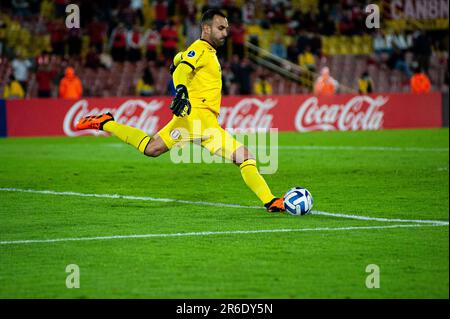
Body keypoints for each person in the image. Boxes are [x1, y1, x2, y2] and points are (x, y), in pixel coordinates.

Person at [75, 9, 285, 213]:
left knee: (151, 148)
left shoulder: (204, 52)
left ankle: (105, 122)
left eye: (226, 28)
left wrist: (177, 60)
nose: (225, 33)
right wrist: (181, 89)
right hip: (196, 120)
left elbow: (181, 62)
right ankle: (270, 201)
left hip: (200, 123)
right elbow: (183, 70)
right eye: (220, 28)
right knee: (244, 157)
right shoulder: (201, 48)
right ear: (206, 28)